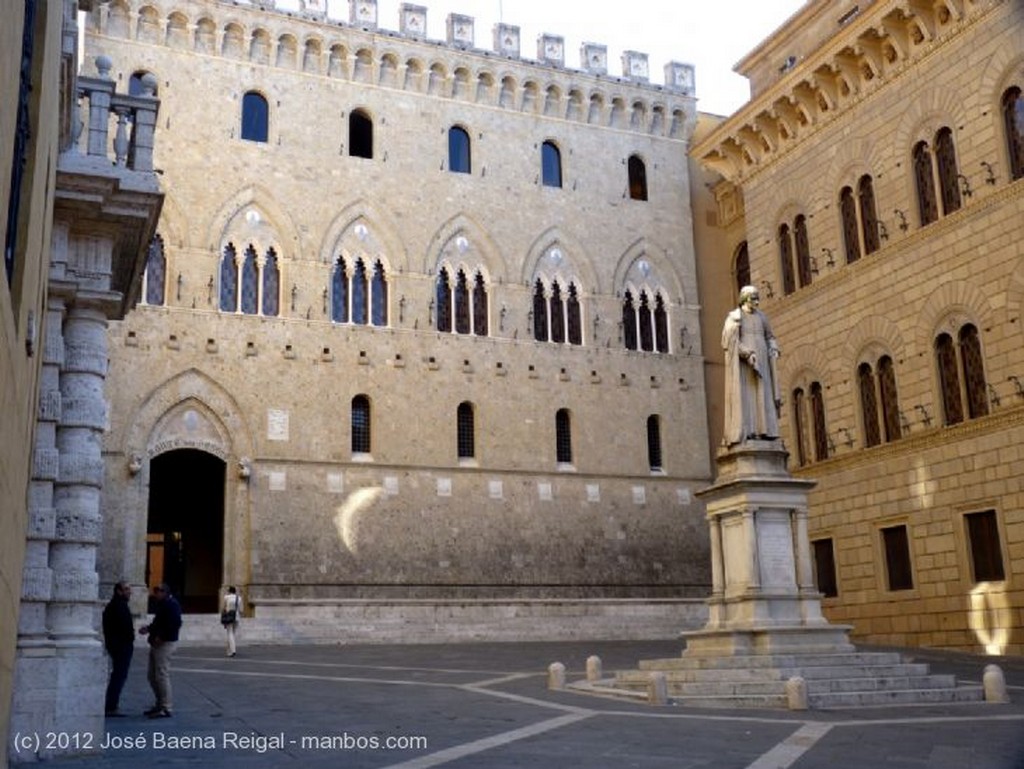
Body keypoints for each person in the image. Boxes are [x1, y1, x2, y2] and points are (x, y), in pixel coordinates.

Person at [722, 285, 782, 446]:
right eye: (753, 298)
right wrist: (747, 353)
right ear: (744, 298)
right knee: (748, 396)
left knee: (764, 394)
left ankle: (767, 431)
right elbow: (730, 341)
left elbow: (770, 336)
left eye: (757, 298)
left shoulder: (762, 317)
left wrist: (773, 348)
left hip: (762, 360)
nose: (756, 301)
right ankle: (750, 431)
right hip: (745, 365)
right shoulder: (734, 317)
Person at [139, 583, 182, 719]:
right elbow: (159, 622)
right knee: (152, 676)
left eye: (157, 591)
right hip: (157, 643)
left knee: (162, 675)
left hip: (165, 644)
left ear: (164, 592)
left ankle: (166, 707)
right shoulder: (163, 604)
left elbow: (175, 623)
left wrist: (162, 637)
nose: (155, 594)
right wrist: (149, 629)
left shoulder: (172, 604)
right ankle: (159, 703)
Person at [102, 581, 135, 717]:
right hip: (121, 646)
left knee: (118, 675)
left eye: (129, 589)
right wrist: (128, 640)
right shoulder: (118, 606)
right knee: (119, 676)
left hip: (118, 645)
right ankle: (111, 706)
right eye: (126, 589)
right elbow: (124, 627)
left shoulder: (117, 605)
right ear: (118, 591)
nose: (129, 592)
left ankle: (111, 704)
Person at [222, 586, 241, 658]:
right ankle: (229, 651)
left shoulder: (226, 597)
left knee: (229, 633)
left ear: (229, 591)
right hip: (236, 617)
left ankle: (233, 650)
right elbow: (240, 609)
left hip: (229, 616)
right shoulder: (238, 598)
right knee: (232, 634)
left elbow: (224, 607)